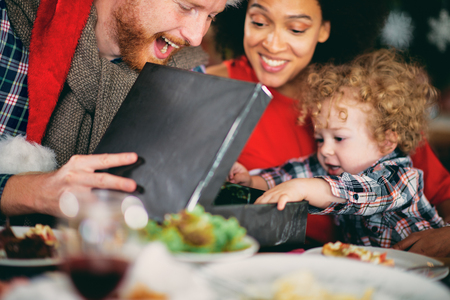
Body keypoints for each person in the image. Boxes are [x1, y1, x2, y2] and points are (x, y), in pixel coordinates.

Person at [206, 0, 450, 256]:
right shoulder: (211, 88)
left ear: (324, 28)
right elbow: (293, 173)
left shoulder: (364, 96)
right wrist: (250, 181)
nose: (273, 43)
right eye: (258, 22)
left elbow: (426, 189)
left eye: (296, 28)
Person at [0, 0, 240, 225]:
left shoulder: (187, 75)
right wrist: (35, 192)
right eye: (186, 6)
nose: (197, 36)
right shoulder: (7, 27)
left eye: (211, 16)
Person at [228, 49, 446, 247]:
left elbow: (354, 192)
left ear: (385, 142)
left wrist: (303, 188)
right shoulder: (334, 166)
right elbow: (289, 173)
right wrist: (251, 181)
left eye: (339, 138)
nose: (324, 150)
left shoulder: (399, 179)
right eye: (320, 139)